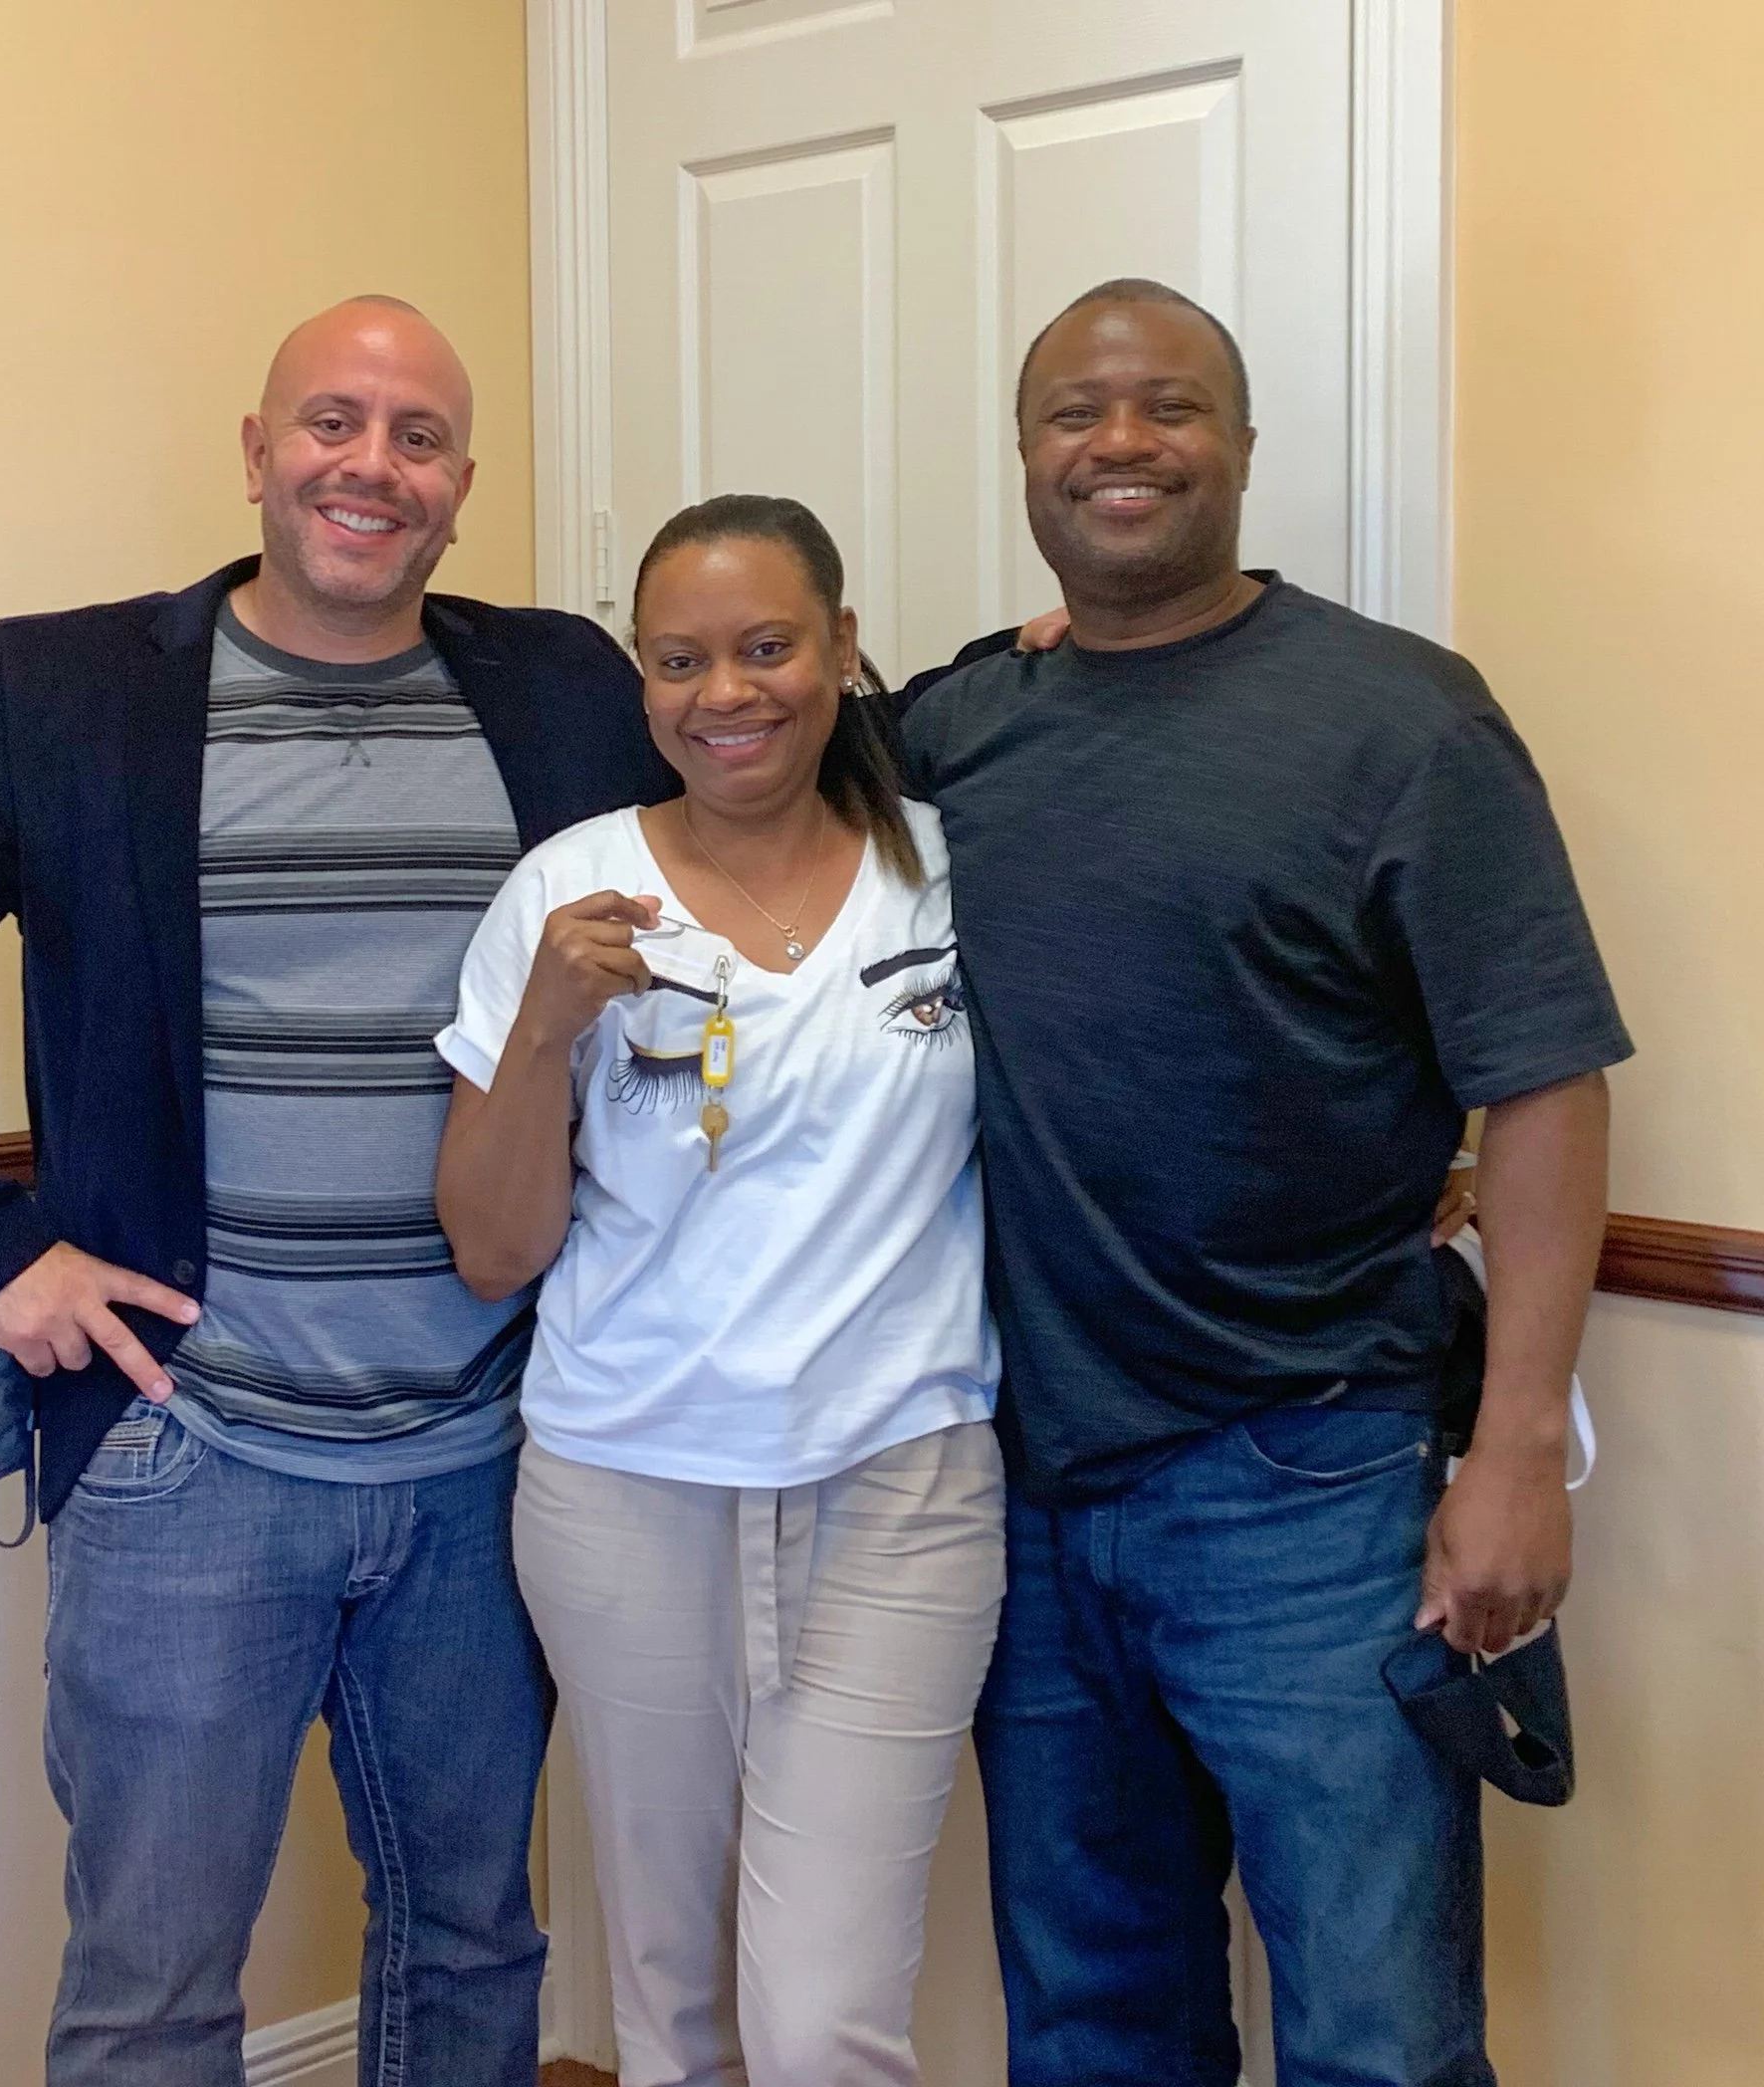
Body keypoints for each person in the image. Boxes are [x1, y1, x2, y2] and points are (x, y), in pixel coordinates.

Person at [0, 297, 668, 2086]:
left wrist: (1024, 671)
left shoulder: (564, 688)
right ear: (256, 452)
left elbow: (772, 753)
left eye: (416, 438)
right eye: (330, 422)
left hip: (487, 1451)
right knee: (154, 1987)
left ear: (463, 485)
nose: (371, 466)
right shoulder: (73, 691)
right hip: (192, 1454)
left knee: (476, 1944)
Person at [900, 279, 1631, 2087]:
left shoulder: (1404, 722)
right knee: (1094, 2026)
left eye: (1170, 408)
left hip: (1311, 1484)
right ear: (1023, 455)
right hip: (1026, 1494)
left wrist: (1517, 1449)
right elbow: (737, 803)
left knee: (1377, 2040)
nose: (1122, 444)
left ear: (1241, 447)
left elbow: (1540, 1085)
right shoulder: (951, 733)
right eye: (1078, 411)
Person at [433, 493, 1008, 2087]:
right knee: (668, 2012)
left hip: (902, 1491)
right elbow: (493, 1248)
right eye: (680, 661)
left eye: (769, 648)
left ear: (843, 649)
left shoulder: (946, 874)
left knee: (824, 2021)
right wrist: (546, 1022)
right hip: (627, 1494)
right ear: (641, 681)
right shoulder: (573, 889)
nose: (727, 693)